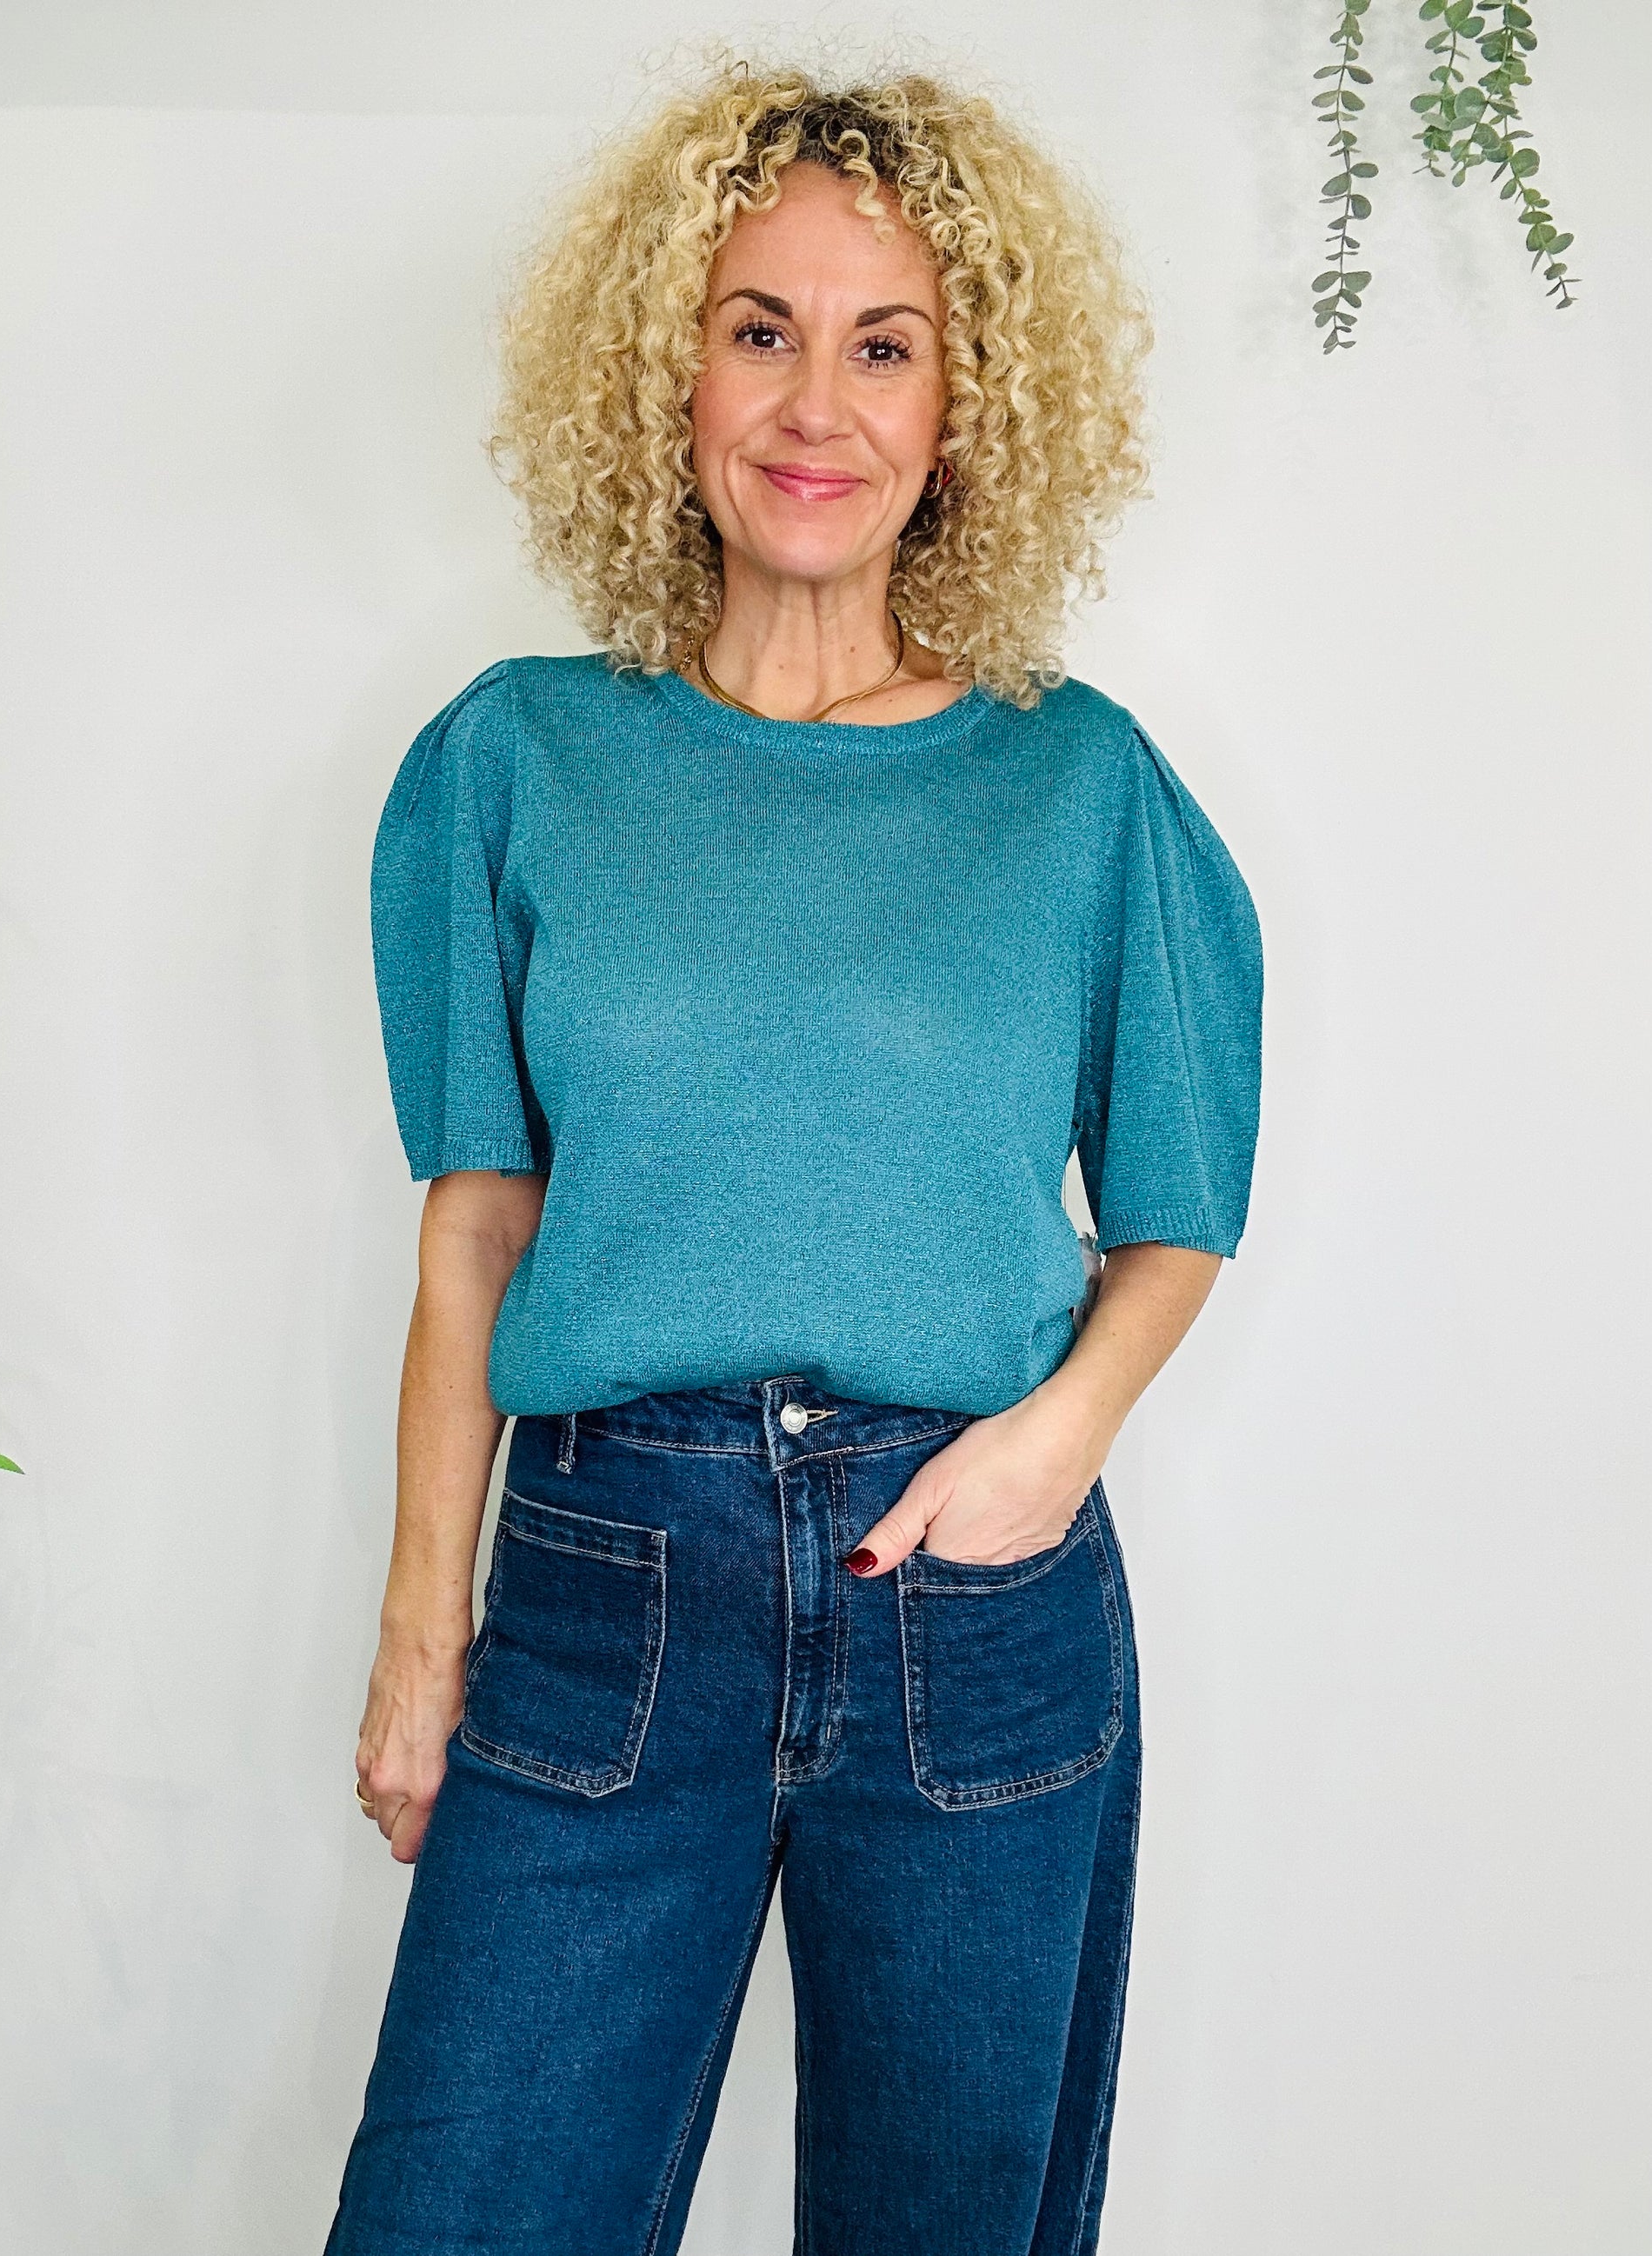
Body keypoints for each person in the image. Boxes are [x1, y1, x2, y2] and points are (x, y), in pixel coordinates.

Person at [325, 60, 1262, 2256]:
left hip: (966, 1595)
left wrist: (1043, 1452)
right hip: (602, 1588)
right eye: (759, 329)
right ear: (668, 369)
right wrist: (419, 1636)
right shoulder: (517, 757)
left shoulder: (1077, 785)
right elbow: (478, 1226)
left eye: (884, 344)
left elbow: (1175, 1212)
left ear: (964, 408)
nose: (814, 404)